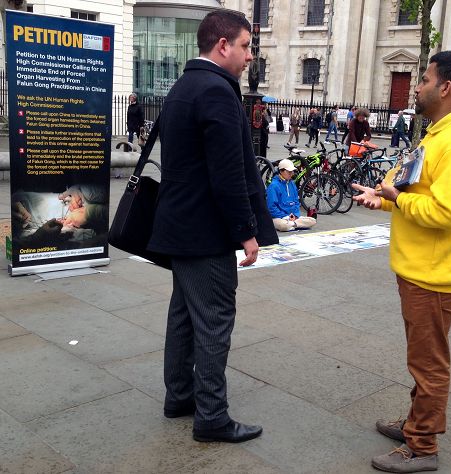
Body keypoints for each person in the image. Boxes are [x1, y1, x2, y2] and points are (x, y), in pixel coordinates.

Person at [147, 10, 278, 444]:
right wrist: (246, 231)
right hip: (205, 233)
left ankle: (179, 397)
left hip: (179, 227)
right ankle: (212, 416)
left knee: (184, 316)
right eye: (245, 46)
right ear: (223, 45)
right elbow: (228, 173)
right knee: (215, 321)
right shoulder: (218, 93)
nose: (249, 56)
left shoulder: (183, 86)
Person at [352, 51, 451, 473]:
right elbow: (413, 190)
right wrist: (384, 200)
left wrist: (398, 199)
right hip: (420, 269)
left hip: (434, 273)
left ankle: (423, 446)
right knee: (422, 356)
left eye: (425, 79)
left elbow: (447, 214)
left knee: (428, 363)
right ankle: (415, 423)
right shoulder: (436, 134)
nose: (417, 85)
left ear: (445, 87)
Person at [266, 159, 317, 232]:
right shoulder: (274, 186)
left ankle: (293, 224)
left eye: (292, 171)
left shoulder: (292, 183)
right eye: (289, 172)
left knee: (313, 220)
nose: (291, 173)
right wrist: (285, 217)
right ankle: (294, 224)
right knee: (283, 225)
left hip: (292, 217)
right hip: (279, 217)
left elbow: (296, 202)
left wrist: (295, 215)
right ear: (281, 171)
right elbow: (271, 207)